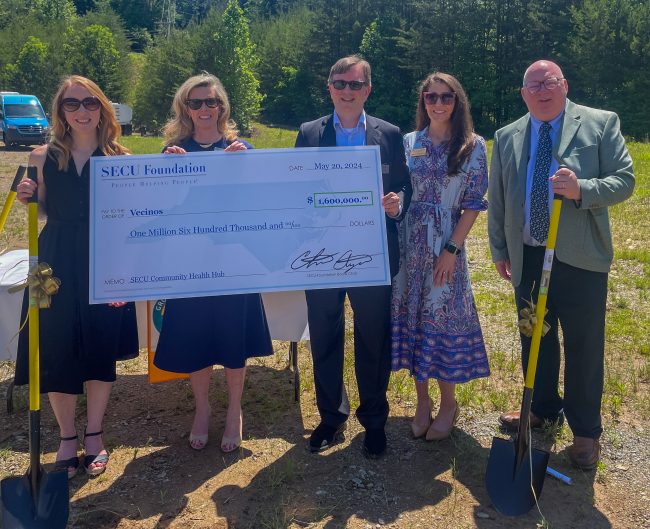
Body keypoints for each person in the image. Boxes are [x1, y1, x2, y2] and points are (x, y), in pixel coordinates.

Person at [488, 60, 635, 469]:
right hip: (529, 255)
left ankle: (586, 431)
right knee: (534, 335)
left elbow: (625, 179)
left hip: (580, 259)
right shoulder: (507, 135)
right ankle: (543, 409)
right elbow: (499, 196)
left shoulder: (600, 123)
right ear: (523, 93)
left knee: (584, 345)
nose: (541, 90)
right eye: (533, 84)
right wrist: (500, 249)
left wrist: (581, 189)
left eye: (549, 82)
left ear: (564, 85)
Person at [15, 75, 139, 478]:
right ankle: (67, 437)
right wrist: (27, 198)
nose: (81, 111)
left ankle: (95, 435)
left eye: (89, 103)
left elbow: (135, 214)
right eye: (72, 104)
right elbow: (44, 213)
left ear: (102, 108)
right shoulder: (41, 156)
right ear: (60, 111)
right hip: (52, 261)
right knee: (54, 345)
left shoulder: (122, 157)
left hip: (107, 258)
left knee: (100, 344)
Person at [295, 55, 412, 458]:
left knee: (372, 339)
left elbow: (404, 187)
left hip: (371, 254)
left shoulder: (390, 134)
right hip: (321, 255)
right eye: (340, 84)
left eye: (355, 85)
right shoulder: (309, 133)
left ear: (368, 89)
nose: (347, 91)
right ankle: (331, 418)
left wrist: (398, 203)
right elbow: (294, 190)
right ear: (329, 88)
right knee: (325, 336)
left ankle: (374, 422)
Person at [153, 73, 273, 453]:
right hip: (189, 262)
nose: (204, 109)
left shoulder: (242, 149)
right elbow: (161, 208)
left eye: (211, 102)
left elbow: (262, 203)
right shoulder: (173, 152)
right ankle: (202, 409)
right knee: (196, 336)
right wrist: (168, 174)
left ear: (222, 107)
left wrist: (247, 166)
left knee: (231, 335)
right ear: (184, 108)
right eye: (196, 102)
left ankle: (235, 409)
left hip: (234, 261)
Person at [391, 72, 490, 441]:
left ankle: (448, 403)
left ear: (457, 101)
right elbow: (403, 190)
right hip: (409, 242)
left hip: (445, 243)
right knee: (414, 316)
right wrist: (395, 204)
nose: (438, 103)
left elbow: (473, 203)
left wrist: (452, 248)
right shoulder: (409, 141)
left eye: (445, 97)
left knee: (442, 318)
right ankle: (421, 402)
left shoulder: (472, 145)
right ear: (423, 101)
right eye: (430, 97)